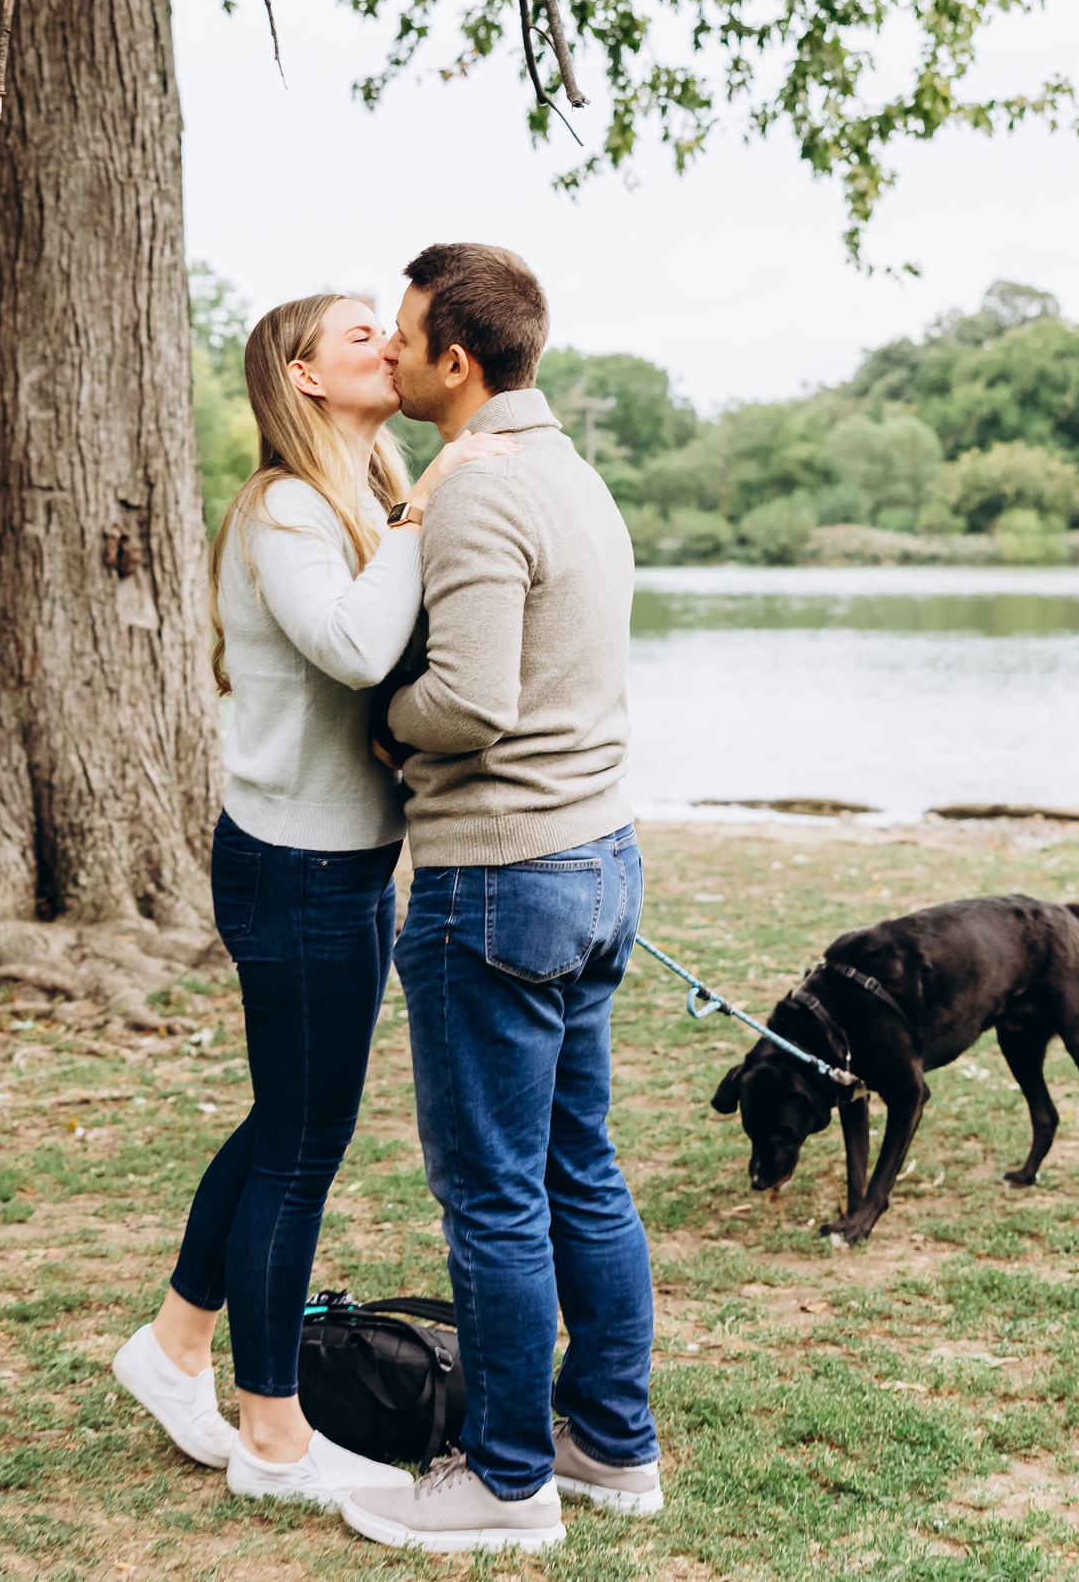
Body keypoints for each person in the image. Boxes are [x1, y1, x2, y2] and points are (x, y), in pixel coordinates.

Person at [112, 291, 515, 1507]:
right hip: (293, 871)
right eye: (356, 333)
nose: (385, 345)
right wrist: (419, 505)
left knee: (288, 1124)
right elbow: (350, 644)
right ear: (298, 378)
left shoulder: (352, 495)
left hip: (340, 865)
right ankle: (272, 1429)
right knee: (300, 1146)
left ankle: (177, 1346)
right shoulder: (289, 507)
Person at [339, 245, 663, 1555]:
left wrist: (379, 726)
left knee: (493, 1195)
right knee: (578, 1169)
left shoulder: (481, 498)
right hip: (598, 863)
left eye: (406, 336)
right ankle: (612, 1445)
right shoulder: (571, 477)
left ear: (456, 359)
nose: (395, 355)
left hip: (499, 881)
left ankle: (510, 1477)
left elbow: (470, 700)